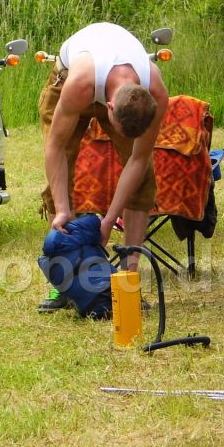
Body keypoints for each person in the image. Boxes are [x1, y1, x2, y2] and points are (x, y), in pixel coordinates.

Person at [37, 22, 169, 312]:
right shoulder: (79, 84)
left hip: (113, 86)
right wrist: (63, 209)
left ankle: (128, 284)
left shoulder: (155, 94)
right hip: (69, 78)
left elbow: (137, 161)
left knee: (144, 180)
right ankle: (64, 283)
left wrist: (109, 220)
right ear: (109, 108)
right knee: (60, 176)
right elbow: (55, 148)